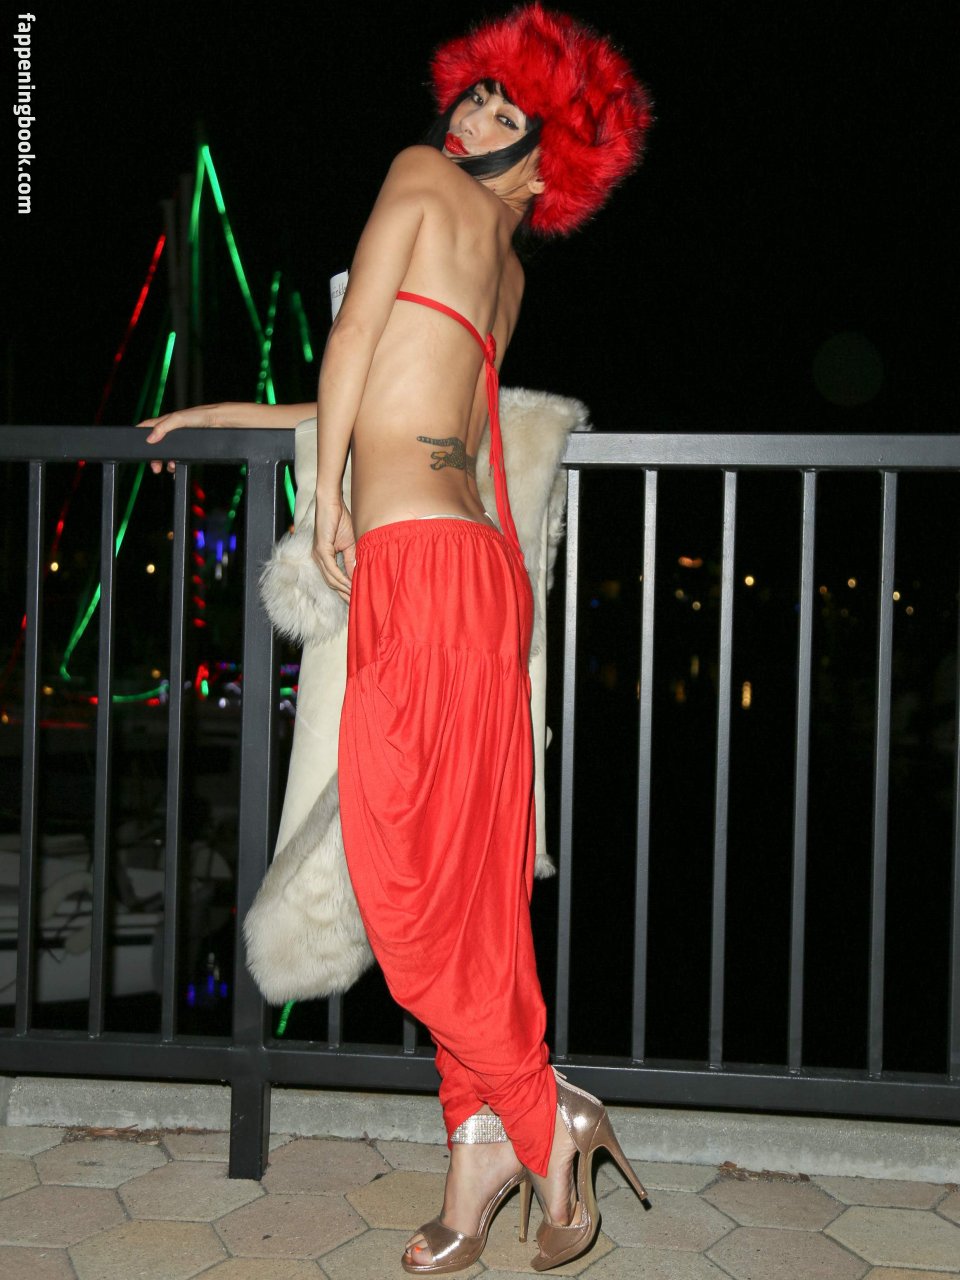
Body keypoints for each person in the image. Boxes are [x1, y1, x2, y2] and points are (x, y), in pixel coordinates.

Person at [141, 4, 653, 1271]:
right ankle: (478, 1151)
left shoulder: (419, 177)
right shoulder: (509, 273)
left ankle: (543, 1109)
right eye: (469, 93)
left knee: (400, 873)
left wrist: (324, 495)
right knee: (469, 883)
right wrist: (240, 411)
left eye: (503, 102)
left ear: (552, 149)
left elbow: (361, 337)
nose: (470, 111)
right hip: (478, 575)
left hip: (419, 567)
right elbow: (410, 392)